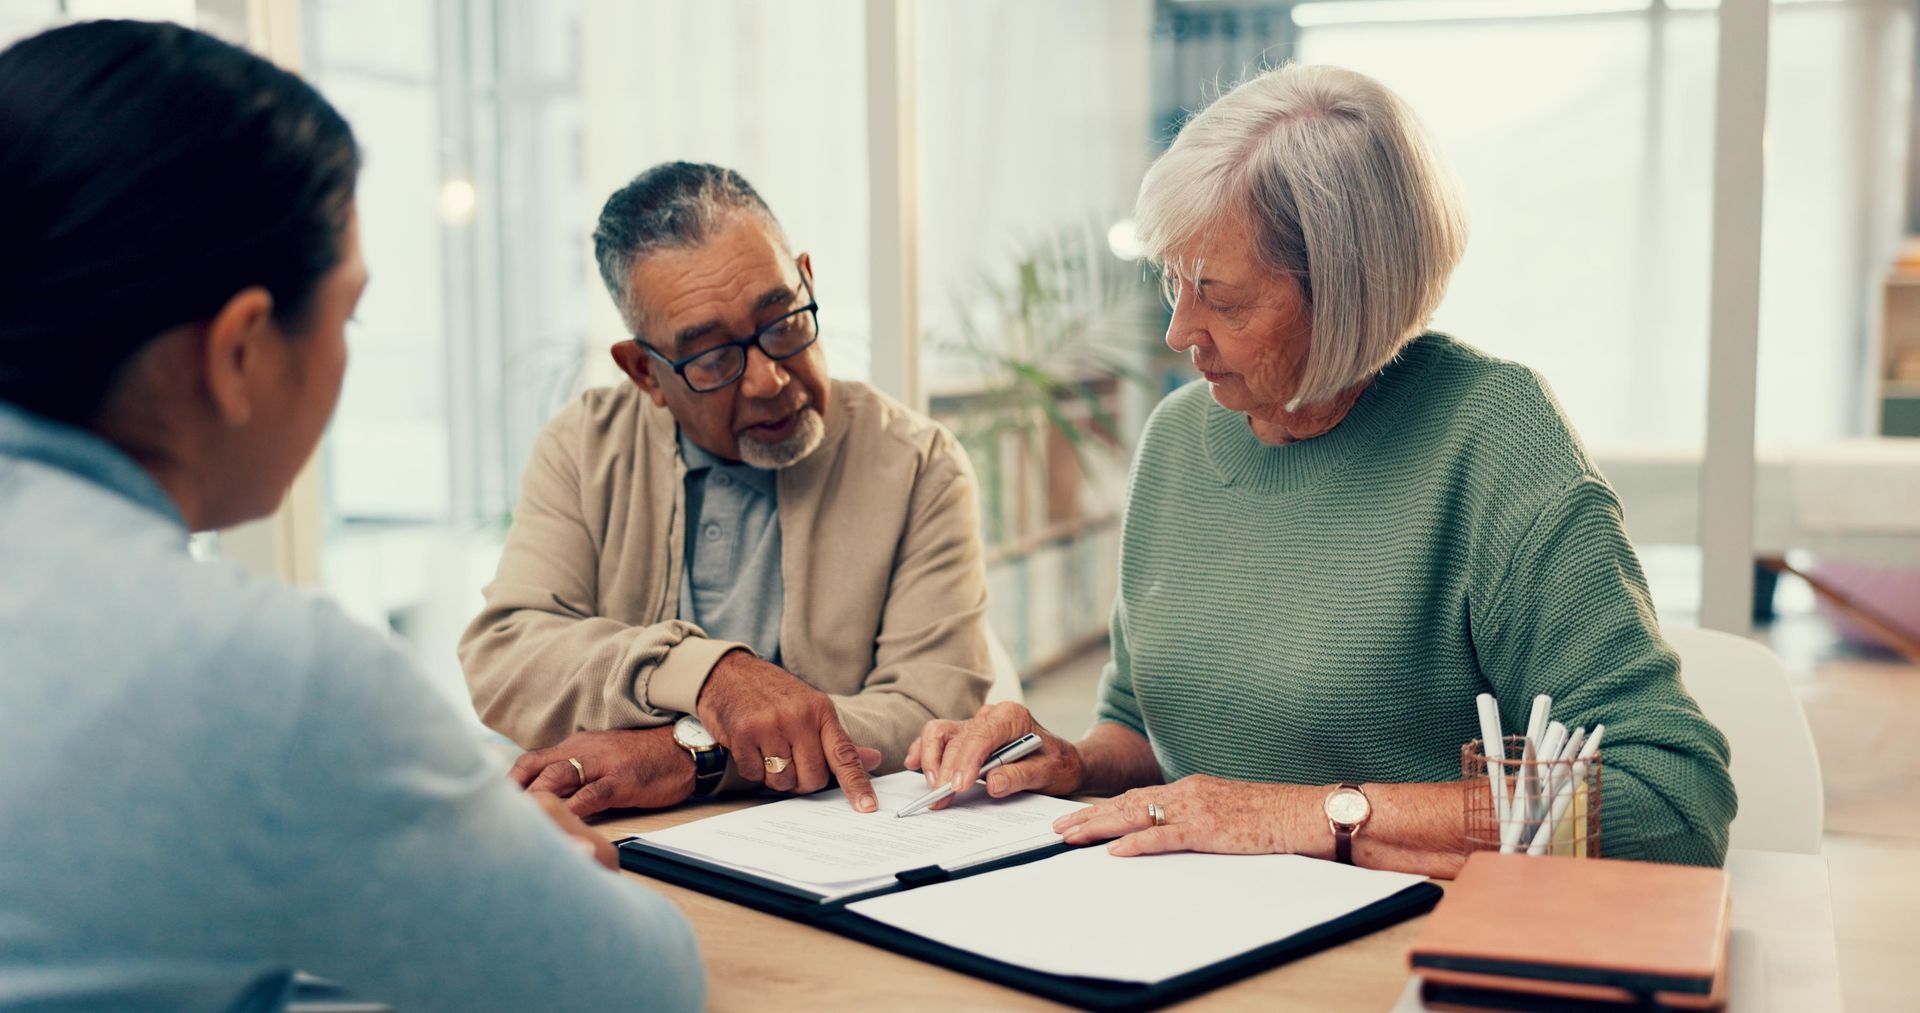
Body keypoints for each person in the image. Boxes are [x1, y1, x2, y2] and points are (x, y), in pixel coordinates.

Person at [0, 21, 702, 1010]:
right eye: (348, 313)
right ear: (238, 350)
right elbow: (637, 988)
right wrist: (525, 864)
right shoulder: (255, 674)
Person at [910, 63, 1736, 875]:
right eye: (1172, 283)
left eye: (1220, 298)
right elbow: (1148, 730)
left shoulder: (1492, 438)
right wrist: (1068, 761)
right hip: (1191, 933)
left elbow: (1669, 799)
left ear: (1347, 292)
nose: (1179, 331)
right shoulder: (1178, 437)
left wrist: (1311, 816)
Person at [460, 162, 991, 818]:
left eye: (783, 322)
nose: (768, 379)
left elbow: (930, 710)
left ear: (807, 279)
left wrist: (690, 754)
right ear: (646, 372)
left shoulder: (919, 464)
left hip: (834, 839)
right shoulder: (584, 446)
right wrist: (709, 674)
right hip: (621, 838)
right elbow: (508, 651)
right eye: (713, 358)